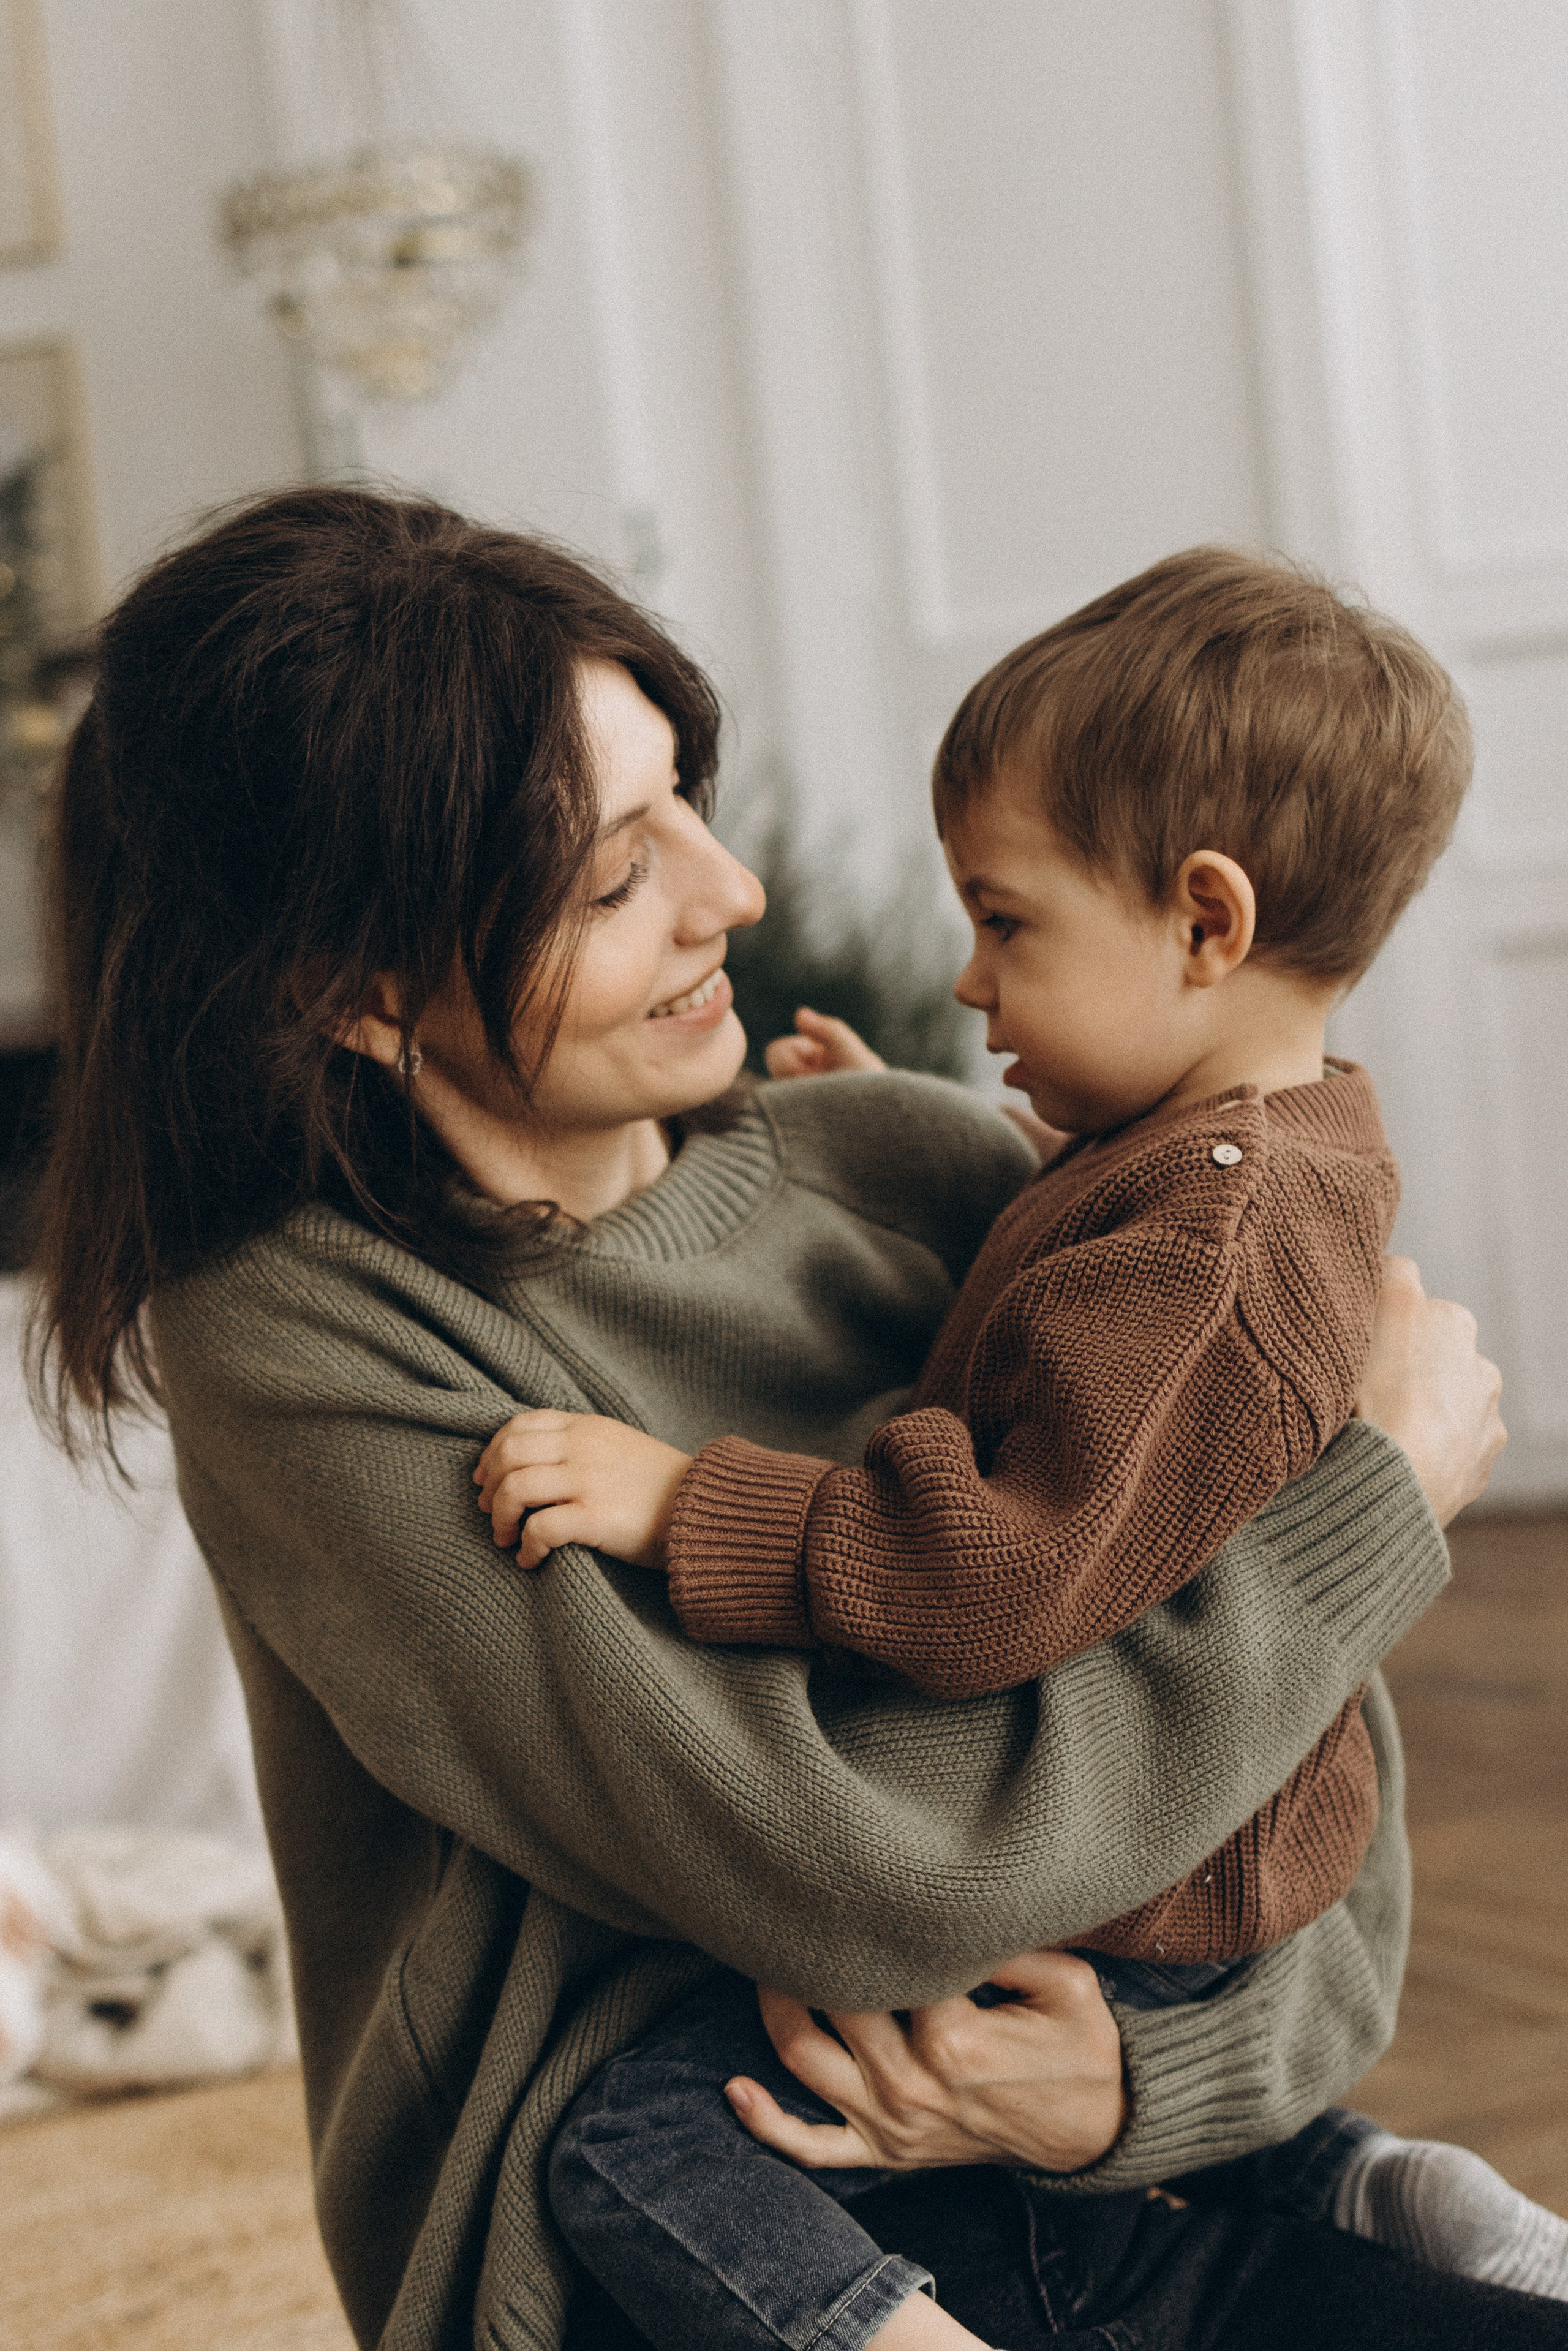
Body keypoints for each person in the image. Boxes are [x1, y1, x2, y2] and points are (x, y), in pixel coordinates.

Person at [30, 489, 1529, 2351]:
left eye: (688, 806)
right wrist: (1363, 1519)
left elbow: (1305, 1788)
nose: (730, 896)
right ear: (356, 990)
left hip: (1118, 2180)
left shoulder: (906, 1159)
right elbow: (871, 1873)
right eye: (608, 875)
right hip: (684, 2253)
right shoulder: (308, 1340)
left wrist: (1149, 2089)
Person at [480, 550, 1568, 2347]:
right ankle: (1358, 2190)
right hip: (1193, 1862)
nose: (973, 980)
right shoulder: (1243, 1144)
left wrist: (686, 1500)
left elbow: (989, 1569)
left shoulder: (1197, 1248)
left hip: (1141, 1886)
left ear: (1206, 924)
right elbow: (1048, 1276)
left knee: (633, 2134)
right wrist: (873, 1110)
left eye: (1008, 924)